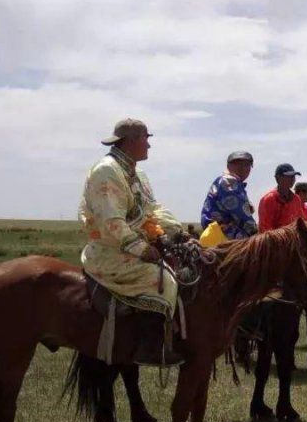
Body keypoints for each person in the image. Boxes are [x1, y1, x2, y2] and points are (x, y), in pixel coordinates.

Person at [79, 118, 183, 365]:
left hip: (133, 242)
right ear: (131, 140)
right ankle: (150, 347)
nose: (149, 145)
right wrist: (141, 248)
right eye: (146, 138)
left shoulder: (138, 174)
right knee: (163, 280)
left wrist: (176, 231)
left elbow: (151, 210)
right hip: (110, 251)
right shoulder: (107, 171)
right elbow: (110, 221)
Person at [199, 150, 258, 240]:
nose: (242, 167)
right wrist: (256, 232)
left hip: (219, 233)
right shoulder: (229, 182)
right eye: (237, 164)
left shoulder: (233, 182)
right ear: (228, 166)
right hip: (224, 235)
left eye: (246, 165)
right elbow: (241, 214)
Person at [257, 163, 306, 232]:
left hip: (294, 241)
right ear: (278, 178)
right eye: (289, 176)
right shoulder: (269, 199)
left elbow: (301, 222)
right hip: (275, 241)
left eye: (293, 176)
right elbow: (265, 229)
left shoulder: (296, 199)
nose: (292, 179)